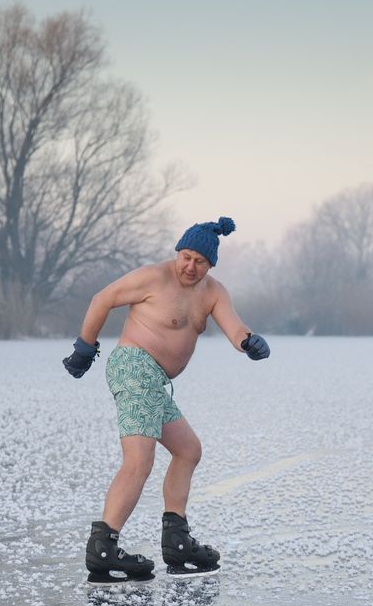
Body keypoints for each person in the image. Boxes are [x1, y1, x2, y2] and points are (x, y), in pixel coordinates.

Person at [63, 216, 270, 583]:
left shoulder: (213, 292)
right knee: (139, 460)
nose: (190, 267)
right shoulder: (153, 277)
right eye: (186, 257)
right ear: (178, 252)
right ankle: (103, 546)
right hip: (134, 367)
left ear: (210, 265)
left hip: (155, 381)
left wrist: (248, 342)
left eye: (199, 262)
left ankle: (177, 540)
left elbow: (233, 325)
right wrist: (85, 347)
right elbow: (103, 299)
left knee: (188, 449)